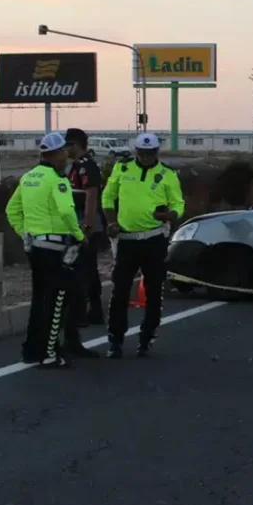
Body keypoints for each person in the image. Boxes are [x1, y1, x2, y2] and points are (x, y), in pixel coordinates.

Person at [5, 132, 86, 368]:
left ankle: (32, 349)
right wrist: (80, 236)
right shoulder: (56, 180)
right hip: (55, 248)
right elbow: (66, 211)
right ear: (56, 154)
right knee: (57, 299)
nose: (67, 156)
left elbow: (11, 210)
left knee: (39, 298)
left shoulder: (29, 177)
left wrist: (25, 233)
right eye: (64, 152)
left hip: (36, 247)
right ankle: (49, 352)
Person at [101, 132, 184, 358]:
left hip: (154, 240)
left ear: (157, 152)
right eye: (142, 153)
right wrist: (111, 221)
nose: (146, 157)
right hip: (127, 240)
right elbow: (107, 197)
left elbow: (179, 203)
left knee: (154, 291)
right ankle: (115, 340)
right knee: (120, 291)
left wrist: (169, 215)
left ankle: (147, 338)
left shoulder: (167, 174)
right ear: (136, 152)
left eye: (151, 153)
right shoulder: (123, 169)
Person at [65, 128, 106, 328]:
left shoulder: (86, 166)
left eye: (68, 145)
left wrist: (87, 225)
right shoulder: (74, 166)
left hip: (87, 223)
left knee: (85, 269)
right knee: (82, 268)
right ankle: (87, 310)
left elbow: (91, 195)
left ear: (76, 144)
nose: (65, 149)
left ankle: (90, 311)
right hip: (77, 221)